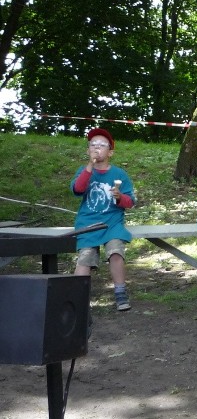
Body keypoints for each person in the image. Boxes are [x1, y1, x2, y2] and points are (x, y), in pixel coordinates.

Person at [71, 127, 136, 311]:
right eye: (93, 145)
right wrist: (89, 167)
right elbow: (78, 189)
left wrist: (119, 197)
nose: (97, 148)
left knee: (115, 251)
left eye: (102, 145)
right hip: (88, 224)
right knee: (85, 258)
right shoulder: (83, 171)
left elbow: (130, 201)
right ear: (88, 150)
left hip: (111, 224)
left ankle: (120, 292)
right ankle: (76, 299)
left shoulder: (119, 174)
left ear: (111, 152)